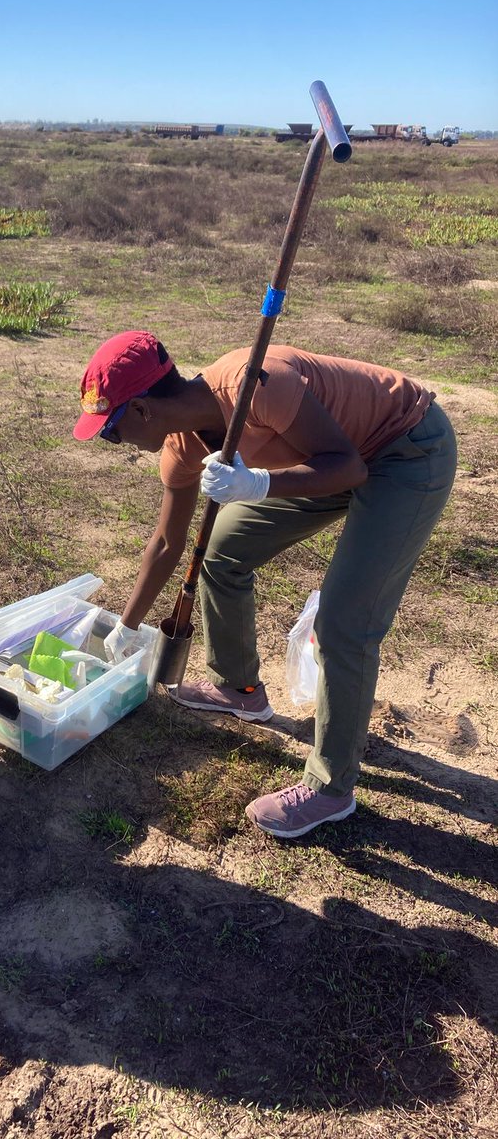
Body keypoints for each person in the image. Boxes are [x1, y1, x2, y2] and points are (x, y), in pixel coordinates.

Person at [73, 331, 456, 839]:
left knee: (345, 623)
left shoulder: (257, 384)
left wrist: (259, 483)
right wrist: (126, 626)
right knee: (222, 554)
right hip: (328, 459)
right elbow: (168, 544)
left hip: (403, 449)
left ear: (142, 410)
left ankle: (330, 788)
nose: (112, 442)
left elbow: (348, 466)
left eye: (110, 432)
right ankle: (241, 688)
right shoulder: (182, 448)